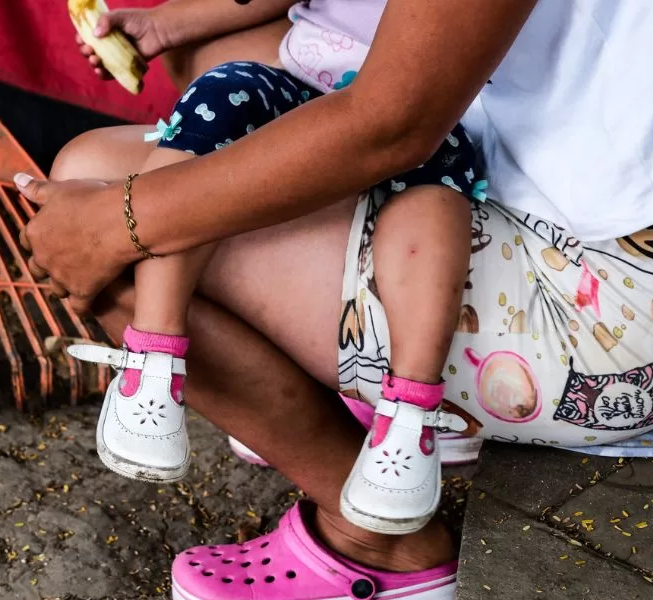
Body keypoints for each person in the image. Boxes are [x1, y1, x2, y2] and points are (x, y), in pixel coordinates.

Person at [15, 0, 653, 600]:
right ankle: (360, 384)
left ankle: (382, 536)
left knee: (100, 194)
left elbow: (394, 126)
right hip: (558, 158)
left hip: (613, 307)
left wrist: (119, 222)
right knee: (226, 56)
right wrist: (175, 23)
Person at [64, 0, 484, 539]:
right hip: (312, 81)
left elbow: (398, 117)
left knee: (434, 187)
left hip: (424, 108)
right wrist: (163, 25)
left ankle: (409, 418)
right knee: (219, 93)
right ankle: (155, 356)